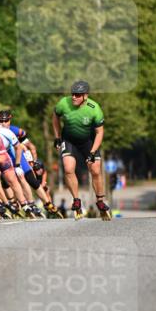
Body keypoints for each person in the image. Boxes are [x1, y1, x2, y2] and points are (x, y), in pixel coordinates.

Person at [52, 80, 111, 220]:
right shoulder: (63, 103)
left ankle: (100, 201)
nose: (74, 97)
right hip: (69, 140)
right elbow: (55, 117)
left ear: (85, 96)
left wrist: (92, 152)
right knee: (68, 169)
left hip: (88, 142)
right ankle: (76, 200)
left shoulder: (94, 108)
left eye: (78, 95)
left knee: (95, 170)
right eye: (73, 94)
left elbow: (99, 133)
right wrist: (57, 137)